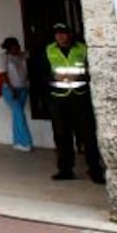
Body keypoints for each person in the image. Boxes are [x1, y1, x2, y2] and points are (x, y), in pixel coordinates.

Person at [45, 22, 105, 183]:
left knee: (88, 136)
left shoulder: (82, 48)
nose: (60, 36)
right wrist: (52, 77)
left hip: (80, 97)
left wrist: (80, 77)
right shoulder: (48, 49)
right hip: (58, 99)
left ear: (70, 34)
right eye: (57, 33)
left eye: (64, 33)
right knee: (61, 136)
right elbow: (40, 72)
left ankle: (95, 170)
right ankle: (65, 170)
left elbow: (95, 70)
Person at [0, 37, 32, 151]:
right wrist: (12, 90)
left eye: (18, 46)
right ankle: (26, 143)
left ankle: (17, 142)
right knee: (19, 113)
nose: (17, 48)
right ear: (8, 48)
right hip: (10, 90)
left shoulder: (21, 55)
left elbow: (31, 53)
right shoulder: (3, 58)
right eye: (14, 47)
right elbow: (3, 75)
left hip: (23, 89)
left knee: (17, 115)